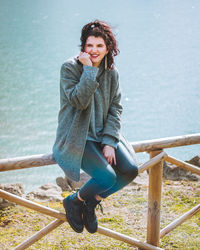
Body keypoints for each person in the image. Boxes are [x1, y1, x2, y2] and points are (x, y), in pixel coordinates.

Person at [53, 20, 138, 234]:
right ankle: (74, 200)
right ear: (83, 46)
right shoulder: (70, 68)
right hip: (76, 138)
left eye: (99, 46)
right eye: (89, 45)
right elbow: (79, 101)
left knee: (130, 170)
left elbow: (115, 109)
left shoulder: (112, 72)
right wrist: (89, 71)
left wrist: (109, 141)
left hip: (102, 135)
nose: (94, 50)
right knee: (107, 177)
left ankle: (90, 202)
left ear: (108, 47)